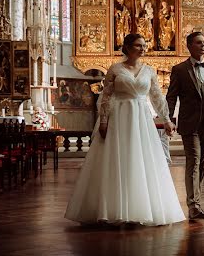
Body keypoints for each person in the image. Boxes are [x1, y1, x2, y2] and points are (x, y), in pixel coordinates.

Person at [65, 34, 184, 226]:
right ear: (127, 47)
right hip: (118, 117)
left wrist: (167, 119)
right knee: (117, 159)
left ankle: (140, 208)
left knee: (140, 159)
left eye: (144, 45)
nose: (143, 49)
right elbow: (105, 97)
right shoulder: (115, 69)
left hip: (141, 118)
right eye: (138, 45)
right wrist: (103, 120)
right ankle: (111, 208)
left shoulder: (149, 70)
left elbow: (156, 97)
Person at [166, 31, 204, 220]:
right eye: (199, 43)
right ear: (190, 46)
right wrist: (169, 119)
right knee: (193, 160)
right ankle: (193, 205)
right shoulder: (179, 69)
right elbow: (171, 97)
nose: (203, 46)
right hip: (189, 123)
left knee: (202, 165)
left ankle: (195, 201)